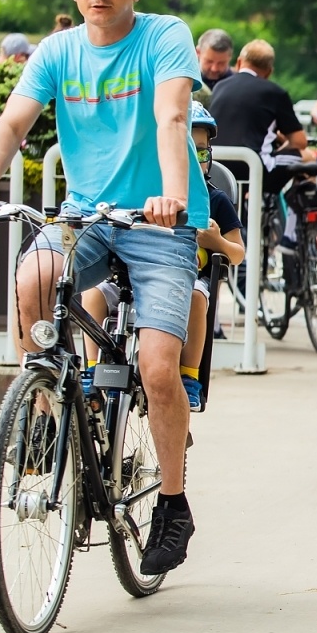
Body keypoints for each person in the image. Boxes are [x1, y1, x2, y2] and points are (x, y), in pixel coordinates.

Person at [0, 0, 207, 576]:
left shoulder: (163, 36)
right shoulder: (57, 50)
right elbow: (11, 125)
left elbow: (172, 117)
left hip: (159, 221)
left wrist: (172, 196)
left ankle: (172, 505)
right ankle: (46, 409)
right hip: (88, 216)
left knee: (156, 364)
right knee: (33, 276)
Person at [81, 101, 244, 411]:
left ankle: (189, 377)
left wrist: (216, 240)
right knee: (94, 292)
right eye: (184, 149)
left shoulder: (215, 199)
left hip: (183, 283)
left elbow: (237, 254)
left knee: (198, 298)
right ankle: (91, 369)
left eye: (202, 152)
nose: (195, 160)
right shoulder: (137, 191)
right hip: (127, 277)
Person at [208, 38, 310, 200]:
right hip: (251, 166)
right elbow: (299, 141)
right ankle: (298, 217)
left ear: (239, 63)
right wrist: (281, 146)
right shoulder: (275, 92)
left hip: (216, 165)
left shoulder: (219, 87)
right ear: (269, 71)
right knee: (308, 156)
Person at [195, 28, 235, 96]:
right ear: (198, 52)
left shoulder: (237, 86)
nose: (214, 69)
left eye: (221, 63)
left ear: (230, 56)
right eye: (209, 61)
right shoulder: (186, 81)